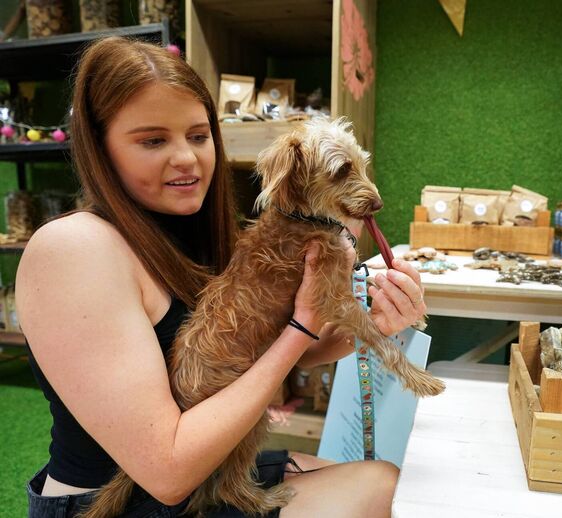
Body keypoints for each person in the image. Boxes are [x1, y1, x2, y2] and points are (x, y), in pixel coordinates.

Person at [17, 37, 427, 517]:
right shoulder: (73, 249)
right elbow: (168, 471)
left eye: (197, 135)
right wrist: (299, 328)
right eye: (153, 140)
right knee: (378, 488)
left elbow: (277, 352)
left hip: (206, 472)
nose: (187, 159)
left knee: (392, 482)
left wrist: (374, 323)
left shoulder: (189, 232)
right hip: (119, 501)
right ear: (99, 146)